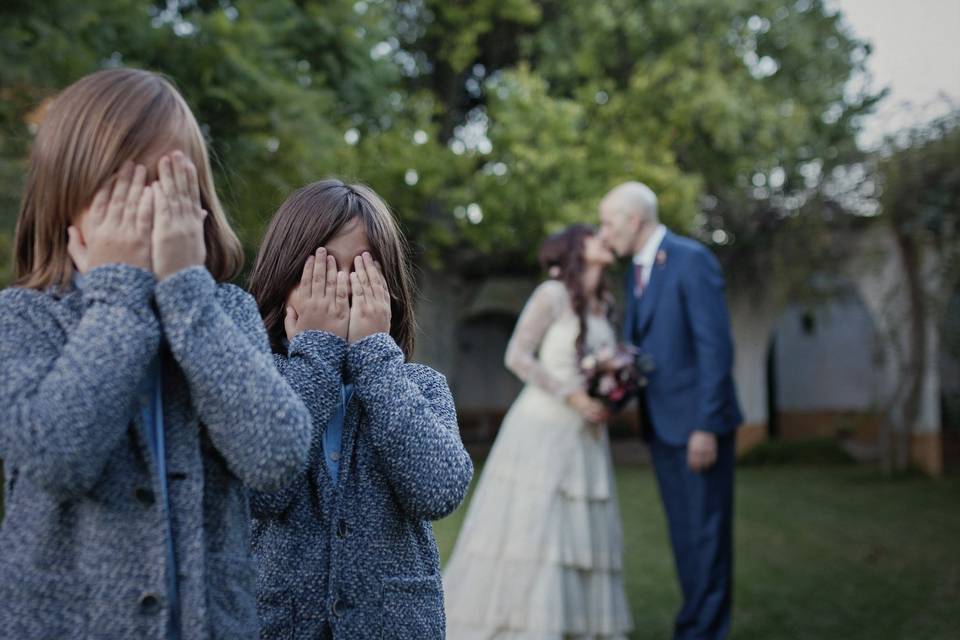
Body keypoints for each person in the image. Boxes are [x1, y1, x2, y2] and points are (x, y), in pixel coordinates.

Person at [0, 68, 312, 639]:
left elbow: (278, 458)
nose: (146, 209)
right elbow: (56, 455)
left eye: (167, 185)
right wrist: (119, 296)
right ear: (66, 198)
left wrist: (188, 295)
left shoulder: (222, 315)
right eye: (121, 187)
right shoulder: (22, 318)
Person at [247, 179, 473, 639]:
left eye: (361, 271)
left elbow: (439, 491)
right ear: (283, 276)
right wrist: (315, 356)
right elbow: (259, 492)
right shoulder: (255, 379)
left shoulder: (417, 385)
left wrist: (375, 356)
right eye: (324, 271)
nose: (342, 289)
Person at [443, 224, 633, 639]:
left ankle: (577, 626)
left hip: (586, 434)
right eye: (593, 233)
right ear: (574, 249)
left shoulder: (605, 303)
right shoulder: (552, 295)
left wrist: (608, 392)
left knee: (580, 527)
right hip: (543, 426)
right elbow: (518, 356)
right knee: (539, 526)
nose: (605, 236)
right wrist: (571, 394)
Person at [599, 182, 743, 640]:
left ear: (633, 220)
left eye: (608, 222)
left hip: (697, 429)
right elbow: (644, 355)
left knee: (706, 539)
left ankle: (705, 631)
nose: (605, 233)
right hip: (661, 428)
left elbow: (715, 350)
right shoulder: (636, 272)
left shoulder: (690, 260)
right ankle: (693, 626)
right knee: (685, 539)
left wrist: (706, 425)